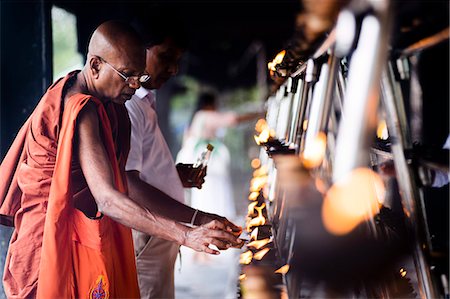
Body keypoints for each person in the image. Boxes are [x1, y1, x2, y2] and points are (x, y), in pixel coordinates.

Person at [0, 20, 241, 299]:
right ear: (95, 66)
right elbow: (108, 198)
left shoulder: (99, 101)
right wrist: (187, 234)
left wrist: (196, 217)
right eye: (127, 75)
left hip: (76, 235)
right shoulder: (83, 110)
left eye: (139, 75)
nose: (135, 85)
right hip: (52, 240)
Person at [126, 16, 241, 299]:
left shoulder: (145, 103)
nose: (173, 69)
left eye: (177, 60)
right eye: (165, 57)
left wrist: (175, 175)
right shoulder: (129, 105)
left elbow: (142, 171)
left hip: (159, 237)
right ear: (135, 50)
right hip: (146, 236)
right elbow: (128, 184)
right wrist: (196, 219)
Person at [177, 92, 263, 222]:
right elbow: (232, 119)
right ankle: (216, 219)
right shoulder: (205, 115)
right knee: (213, 188)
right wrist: (258, 115)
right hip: (208, 160)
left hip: (205, 157)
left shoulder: (197, 117)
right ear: (209, 104)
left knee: (206, 191)